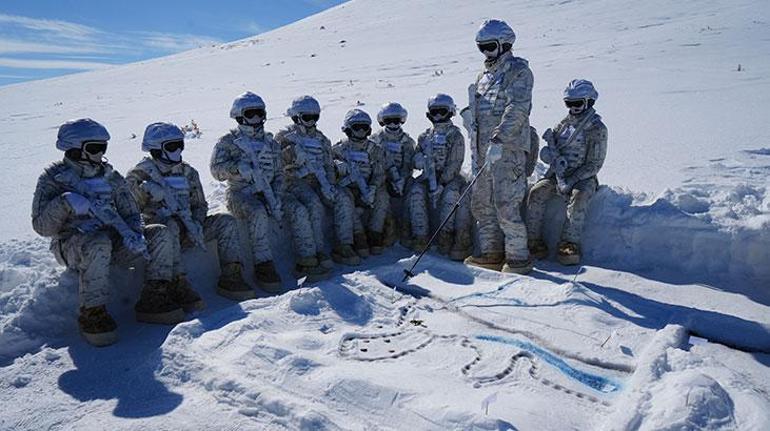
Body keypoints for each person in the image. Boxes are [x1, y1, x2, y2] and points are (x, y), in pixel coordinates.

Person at [31, 118, 181, 347]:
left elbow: (130, 211)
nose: (101, 154)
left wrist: (136, 234)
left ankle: (154, 297)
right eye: (94, 148)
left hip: (113, 240)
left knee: (159, 233)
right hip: (72, 245)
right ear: (74, 148)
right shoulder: (54, 179)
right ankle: (92, 313)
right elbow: (42, 227)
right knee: (98, 241)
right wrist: (65, 203)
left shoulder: (110, 176)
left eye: (103, 147)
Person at [211, 92, 330, 291]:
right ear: (240, 116)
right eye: (251, 114)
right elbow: (216, 171)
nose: (256, 119)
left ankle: (307, 258)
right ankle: (263, 264)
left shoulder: (270, 143)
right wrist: (237, 168)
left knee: (298, 210)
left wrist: (275, 194)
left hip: (271, 192)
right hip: (241, 193)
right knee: (257, 213)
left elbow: (279, 173)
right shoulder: (228, 142)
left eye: (259, 114)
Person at [127, 122, 254, 303]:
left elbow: (200, 204)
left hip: (189, 228)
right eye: (172, 147)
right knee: (170, 226)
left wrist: (195, 222)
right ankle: (169, 284)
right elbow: (130, 210)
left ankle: (232, 275)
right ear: (156, 149)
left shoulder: (188, 172)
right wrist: (144, 192)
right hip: (160, 235)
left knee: (226, 221)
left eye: (180, 145)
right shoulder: (140, 174)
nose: (178, 150)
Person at [463, 19, 535, 274]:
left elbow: (517, 108)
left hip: (508, 150)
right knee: (482, 203)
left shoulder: (518, 72)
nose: (486, 53)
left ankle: (518, 258)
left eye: (490, 47)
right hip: (483, 153)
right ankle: (491, 252)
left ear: (505, 45)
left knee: (506, 202)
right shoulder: (483, 77)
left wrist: (500, 139)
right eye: (481, 47)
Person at [527, 79, 607, 265]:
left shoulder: (597, 128)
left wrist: (571, 180)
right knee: (536, 193)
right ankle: (533, 240)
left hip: (583, 178)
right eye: (569, 103)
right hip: (558, 174)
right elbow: (552, 149)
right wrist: (549, 156)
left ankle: (569, 243)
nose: (573, 108)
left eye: (577, 103)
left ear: (589, 102)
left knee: (579, 199)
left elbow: (594, 164)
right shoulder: (563, 124)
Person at [275, 95, 360, 266]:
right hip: (295, 182)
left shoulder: (321, 139)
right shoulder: (285, 137)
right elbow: (278, 166)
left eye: (315, 117)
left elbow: (328, 164)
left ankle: (344, 244)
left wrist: (329, 184)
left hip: (319, 181)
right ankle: (316, 251)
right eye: (307, 117)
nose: (312, 121)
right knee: (313, 203)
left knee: (342, 197)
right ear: (297, 117)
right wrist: (293, 158)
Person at [407, 94, 472, 261]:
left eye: (441, 112)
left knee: (451, 195)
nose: (437, 116)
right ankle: (420, 235)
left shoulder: (455, 135)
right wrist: (419, 160)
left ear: (449, 112)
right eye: (434, 112)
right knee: (415, 191)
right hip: (428, 175)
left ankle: (446, 235)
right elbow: (415, 157)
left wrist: (442, 182)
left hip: (450, 177)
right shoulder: (424, 136)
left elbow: (455, 162)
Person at [332, 109, 390, 257]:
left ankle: (374, 233)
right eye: (357, 127)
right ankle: (351, 240)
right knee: (345, 200)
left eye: (364, 127)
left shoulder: (374, 149)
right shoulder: (339, 149)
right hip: (348, 188)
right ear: (348, 129)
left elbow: (379, 172)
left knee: (382, 196)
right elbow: (329, 168)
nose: (361, 131)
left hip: (368, 187)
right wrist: (337, 165)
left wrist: (373, 187)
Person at [370, 102, 416, 248]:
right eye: (388, 121)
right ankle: (385, 229)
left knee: (414, 192)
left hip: (403, 179)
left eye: (396, 120)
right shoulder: (376, 139)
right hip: (382, 178)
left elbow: (408, 163)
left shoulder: (407, 141)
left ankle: (408, 229)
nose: (393, 124)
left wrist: (401, 179)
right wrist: (387, 179)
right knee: (381, 196)